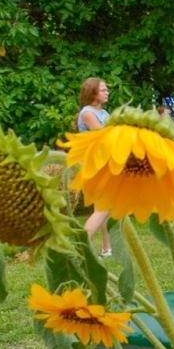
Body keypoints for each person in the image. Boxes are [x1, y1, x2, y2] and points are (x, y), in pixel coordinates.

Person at [75, 77, 113, 256]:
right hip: (95, 164)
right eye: (103, 90)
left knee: (105, 207)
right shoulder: (88, 113)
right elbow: (103, 136)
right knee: (103, 208)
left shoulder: (105, 113)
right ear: (93, 93)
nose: (107, 92)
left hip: (106, 162)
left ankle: (107, 248)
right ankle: (80, 246)